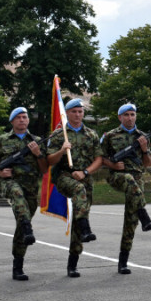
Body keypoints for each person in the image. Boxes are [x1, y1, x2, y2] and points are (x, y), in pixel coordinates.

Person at [0, 107, 48, 281]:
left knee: (22, 225)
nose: (22, 120)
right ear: (12, 121)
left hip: (31, 188)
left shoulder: (37, 141)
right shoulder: (1, 140)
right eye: (18, 117)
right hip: (9, 183)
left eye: (24, 117)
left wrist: (38, 154)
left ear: (28, 120)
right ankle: (27, 227)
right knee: (17, 195)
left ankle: (18, 266)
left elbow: (44, 169)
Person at [46, 98, 104, 278]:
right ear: (67, 114)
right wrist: (62, 151)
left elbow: (99, 159)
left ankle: (73, 264)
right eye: (74, 111)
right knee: (79, 192)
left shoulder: (91, 134)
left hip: (85, 178)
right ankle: (86, 227)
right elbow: (50, 160)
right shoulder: (59, 135)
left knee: (81, 214)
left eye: (80, 111)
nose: (78, 115)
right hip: (65, 176)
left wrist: (85, 172)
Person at [100, 103, 151, 274]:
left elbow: (147, 163)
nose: (130, 118)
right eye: (126, 115)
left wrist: (144, 149)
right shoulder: (110, 135)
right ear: (120, 117)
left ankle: (123, 262)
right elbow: (100, 157)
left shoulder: (142, 137)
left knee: (131, 221)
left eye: (132, 114)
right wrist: (112, 164)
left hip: (137, 178)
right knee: (127, 178)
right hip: (118, 176)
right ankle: (144, 215)